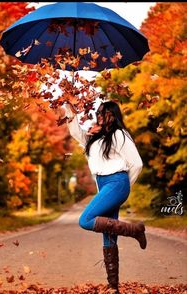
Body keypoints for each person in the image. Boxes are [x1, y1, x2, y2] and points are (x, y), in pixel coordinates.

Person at [62, 100, 147, 294]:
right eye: (99, 112)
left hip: (117, 183)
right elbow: (75, 131)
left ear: (114, 115)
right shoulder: (93, 137)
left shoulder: (119, 135)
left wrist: (123, 187)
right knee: (108, 236)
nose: (101, 115)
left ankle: (134, 230)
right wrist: (68, 106)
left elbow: (137, 164)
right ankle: (113, 286)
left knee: (85, 220)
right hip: (104, 185)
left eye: (106, 112)